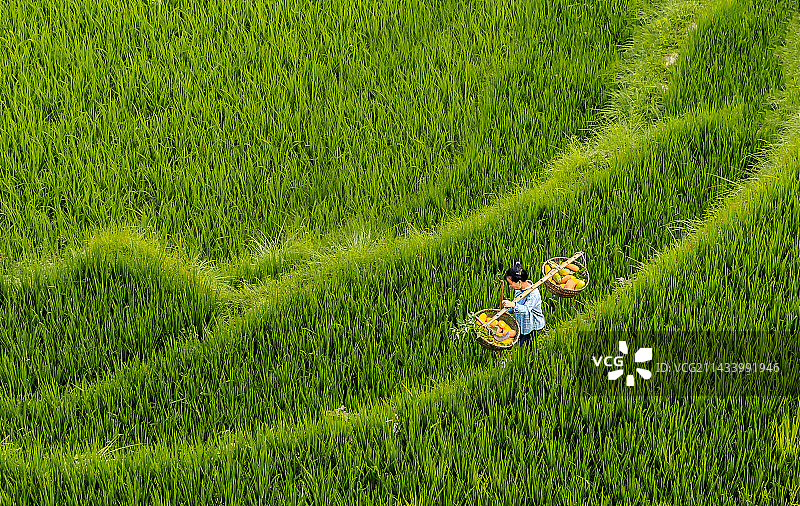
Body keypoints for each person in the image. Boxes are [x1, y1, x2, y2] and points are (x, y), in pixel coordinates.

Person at [502, 262, 545, 346]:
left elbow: (526, 309)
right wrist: (507, 309)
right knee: (521, 344)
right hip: (522, 323)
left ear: (519, 282)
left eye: (511, 283)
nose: (510, 286)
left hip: (533, 326)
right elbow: (516, 303)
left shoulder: (534, 294)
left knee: (528, 348)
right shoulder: (518, 290)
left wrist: (513, 305)